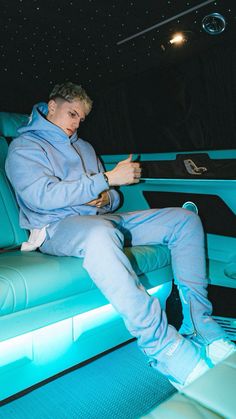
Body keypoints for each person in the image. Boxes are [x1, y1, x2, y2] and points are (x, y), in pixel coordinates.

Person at [5, 81, 235, 389]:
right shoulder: (25, 147)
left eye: (81, 119)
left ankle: (200, 324)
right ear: (52, 106)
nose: (76, 125)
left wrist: (106, 197)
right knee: (100, 233)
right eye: (72, 114)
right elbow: (39, 196)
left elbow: (112, 197)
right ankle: (164, 348)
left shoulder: (84, 148)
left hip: (99, 218)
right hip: (56, 227)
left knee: (184, 221)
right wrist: (105, 180)